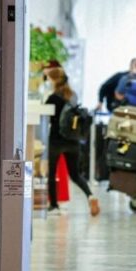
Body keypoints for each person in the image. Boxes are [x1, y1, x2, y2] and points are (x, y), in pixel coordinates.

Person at [44, 68, 100, 216]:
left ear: (54, 81)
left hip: (56, 140)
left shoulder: (52, 98)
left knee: (52, 173)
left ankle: (54, 205)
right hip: (73, 140)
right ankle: (90, 195)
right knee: (75, 174)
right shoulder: (72, 96)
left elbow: (47, 118)